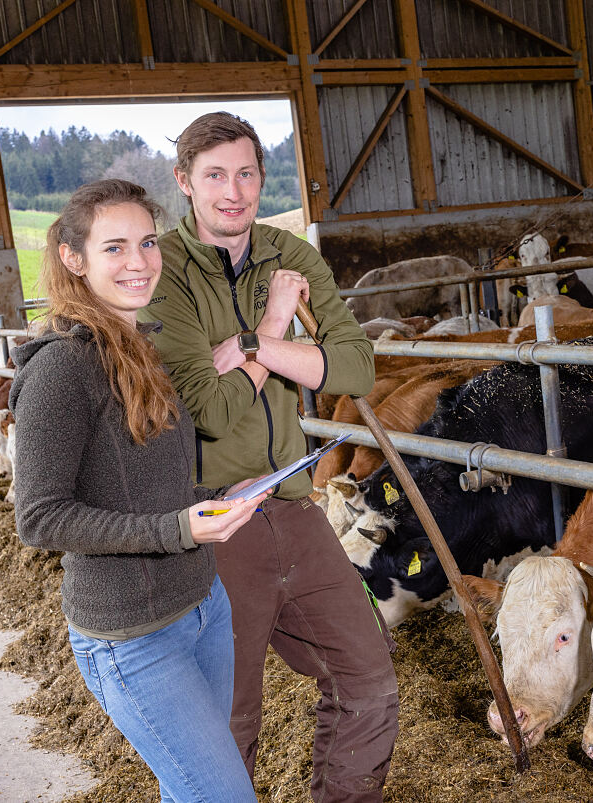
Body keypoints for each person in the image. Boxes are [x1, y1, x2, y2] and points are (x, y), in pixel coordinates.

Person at [138, 112, 398, 802]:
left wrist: (259, 348)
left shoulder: (290, 254)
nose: (234, 191)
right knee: (228, 718)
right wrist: (279, 323)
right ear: (184, 183)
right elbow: (211, 412)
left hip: (291, 501)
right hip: (210, 519)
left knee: (368, 678)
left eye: (247, 173)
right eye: (215, 175)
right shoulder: (159, 272)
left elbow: (356, 368)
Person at [9, 179, 266, 802]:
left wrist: (218, 493)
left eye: (147, 242)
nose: (139, 261)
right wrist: (180, 528)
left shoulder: (139, 347)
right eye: (115, 247)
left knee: (191, 790)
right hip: (132, 637)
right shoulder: (60, 368)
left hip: (203, 606)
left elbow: (151, 481)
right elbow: (39, 517)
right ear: (75, 259)